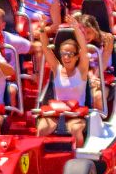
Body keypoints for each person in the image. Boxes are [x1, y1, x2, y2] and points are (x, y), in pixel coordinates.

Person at [36, 18, 96, 146]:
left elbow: (84, 48)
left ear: (77, 56)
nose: (66, 57)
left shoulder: (81, 71)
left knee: (75, 129)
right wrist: (42, 30)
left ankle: (79, 154)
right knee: (42, 128)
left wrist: (76, 29)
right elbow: (46, 49)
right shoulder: (56, 69)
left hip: (77, 116)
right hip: (56, 114)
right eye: (63, 53)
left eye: (70, 54)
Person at [73, 10, 116, 76]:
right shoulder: (79, 39)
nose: (86, 36)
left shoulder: (107, 38)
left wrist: (95, 76)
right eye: (83, 33)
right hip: (88, 73)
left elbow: (104, 61)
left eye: (89, 32)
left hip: (104, 71)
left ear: (95, 30)